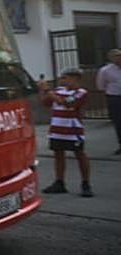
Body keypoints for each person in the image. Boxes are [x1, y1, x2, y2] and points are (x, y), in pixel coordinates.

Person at [41, 69, 92, 197]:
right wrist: (42, 89)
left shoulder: (81, 92)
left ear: (75, 78)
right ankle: (59, 182)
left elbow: (67, 103)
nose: (62, 80)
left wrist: (48, 91)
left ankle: (85, 183)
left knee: (80, 155)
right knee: (58, 155)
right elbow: (45, 102)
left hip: (73, 130)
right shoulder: (58, 90)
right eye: (62, 78)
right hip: (57, 129)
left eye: (65, 78)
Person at [97, 48, 121, 155]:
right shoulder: (105, 70)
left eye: (119, 55)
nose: (118, 58)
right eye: (115, 56)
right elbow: (101, 85)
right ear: (111, 58)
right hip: (115, 97)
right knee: (118, 122)